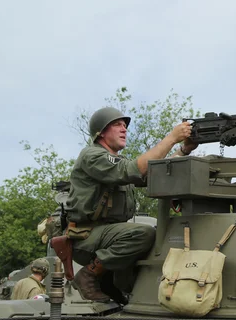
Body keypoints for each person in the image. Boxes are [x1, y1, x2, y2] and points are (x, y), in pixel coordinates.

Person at [61, 107, 197, 302]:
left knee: (156, 234)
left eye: (125, 126)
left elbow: (153, 173)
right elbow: (133, 169)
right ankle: (88, 275)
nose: (124, 129)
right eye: (117, 125)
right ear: (101, 132)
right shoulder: (92, 155)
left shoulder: (116, 161)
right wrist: (171, 138)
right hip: (86, 236)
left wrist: (184, 149)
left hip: (106, 235)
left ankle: (112, 285)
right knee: (144, 233)